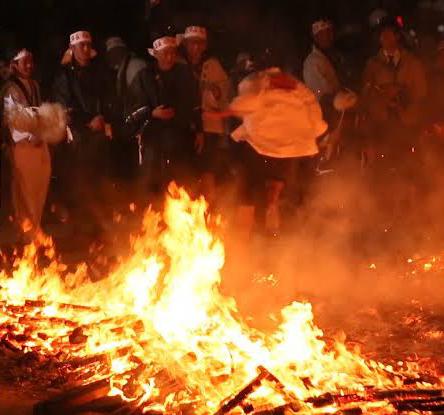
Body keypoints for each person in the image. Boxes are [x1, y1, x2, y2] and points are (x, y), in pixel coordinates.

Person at [52, 30, 110, 224]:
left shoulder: (98, 71)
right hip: (77, 134)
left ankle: (97, 220)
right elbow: (65, 107)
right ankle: (78, 220)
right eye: (81, 46)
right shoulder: (65, 76)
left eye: (87, 45)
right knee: (78, 177)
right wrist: (87, 122)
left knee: (97, 176)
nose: (85, 49)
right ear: (72, 48)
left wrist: (103, 118)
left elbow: (108, 99)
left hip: (98, 131)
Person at [143, 33, 203, 191]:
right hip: (153, 137)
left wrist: (199, 131)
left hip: (180, 135)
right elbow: (135, 104)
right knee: (154, 179)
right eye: (165, 53)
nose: (170, 57)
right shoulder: (146, 75)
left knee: (181, 177)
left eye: (172, 53)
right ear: (156, 54)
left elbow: (194, 104)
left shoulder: (184, 73)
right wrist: (152, 113)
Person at [1, 49, 51, 239]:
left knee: (40, 183)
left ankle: (36, 223)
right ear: (14, 65)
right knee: (25, 188)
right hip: (22, 143)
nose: (29, 65)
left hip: (39, 140)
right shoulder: (9, 89)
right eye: (24, 62)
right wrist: (30, 135)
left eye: (31, 61)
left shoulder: (35, 85)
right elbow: (12, 118)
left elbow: (39, 110)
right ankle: (26, 227)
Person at [180, 25, 232, 204]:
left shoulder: (213, 66)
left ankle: (208, 213)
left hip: (210, 126)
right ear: (185, 45)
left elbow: (225, 93)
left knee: (208, 170)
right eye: (191, 44)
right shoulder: (179, 64)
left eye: (199, 44)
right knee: (188, 172)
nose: (195, 48)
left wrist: (215, 92)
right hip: (186, 126)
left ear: (205, 46)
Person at [104, 36, 154, 180]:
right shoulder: (121, 69)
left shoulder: (135, 67)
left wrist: (130, 122)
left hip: (140, 128)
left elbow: (145, 103)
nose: (113, 57)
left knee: (141, 171)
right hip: (131, 128)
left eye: (115, 52)